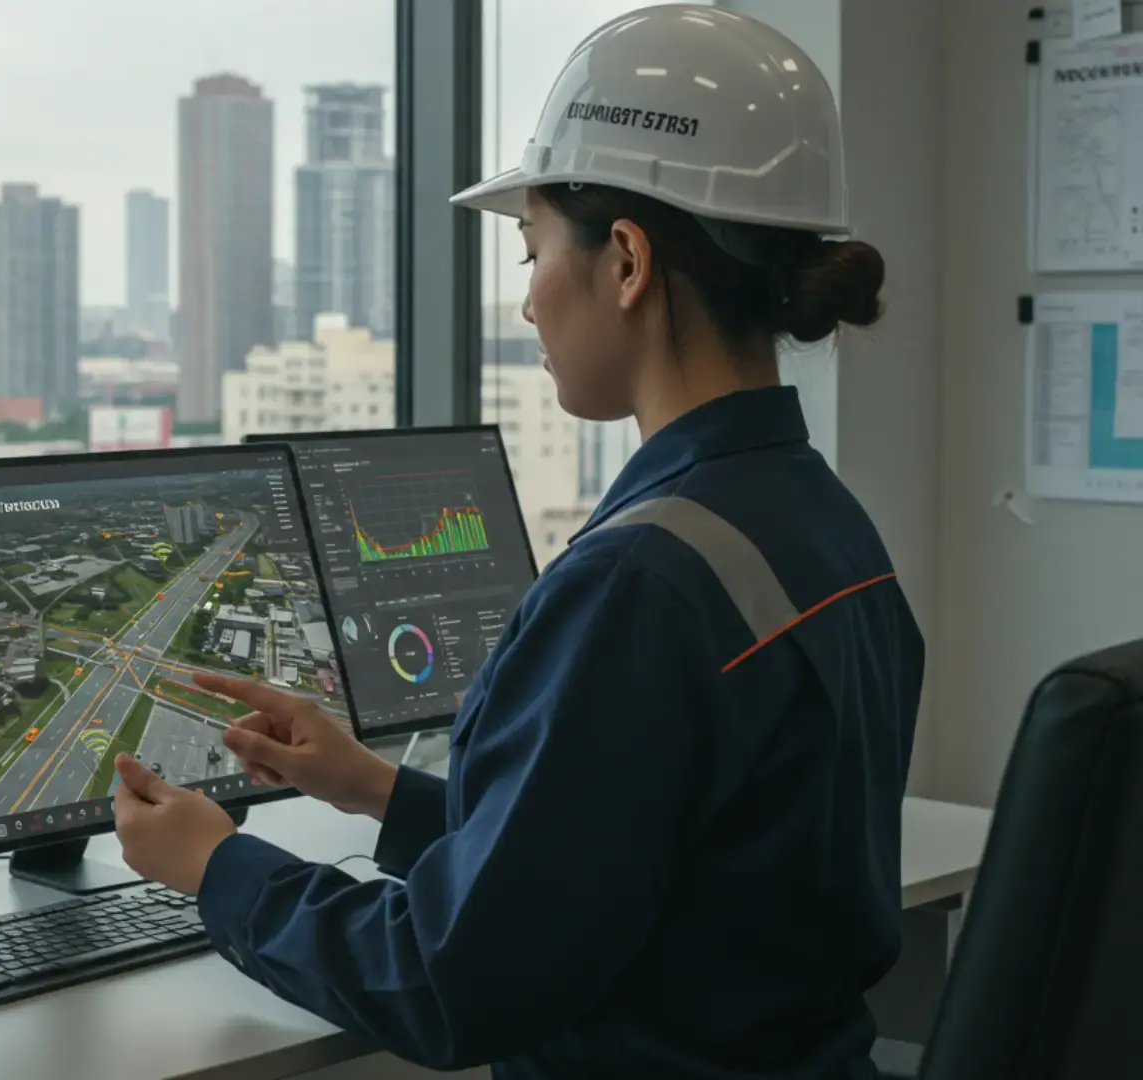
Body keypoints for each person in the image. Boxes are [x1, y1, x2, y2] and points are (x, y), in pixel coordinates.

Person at [108, 6, 925, 1078]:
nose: (527, 300)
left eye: (534, 248)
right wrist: (377, 791)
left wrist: (218, 868)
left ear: (625, 262)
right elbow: (634, 858)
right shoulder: (821, 522)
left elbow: (453, 982)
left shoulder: (641, 585)